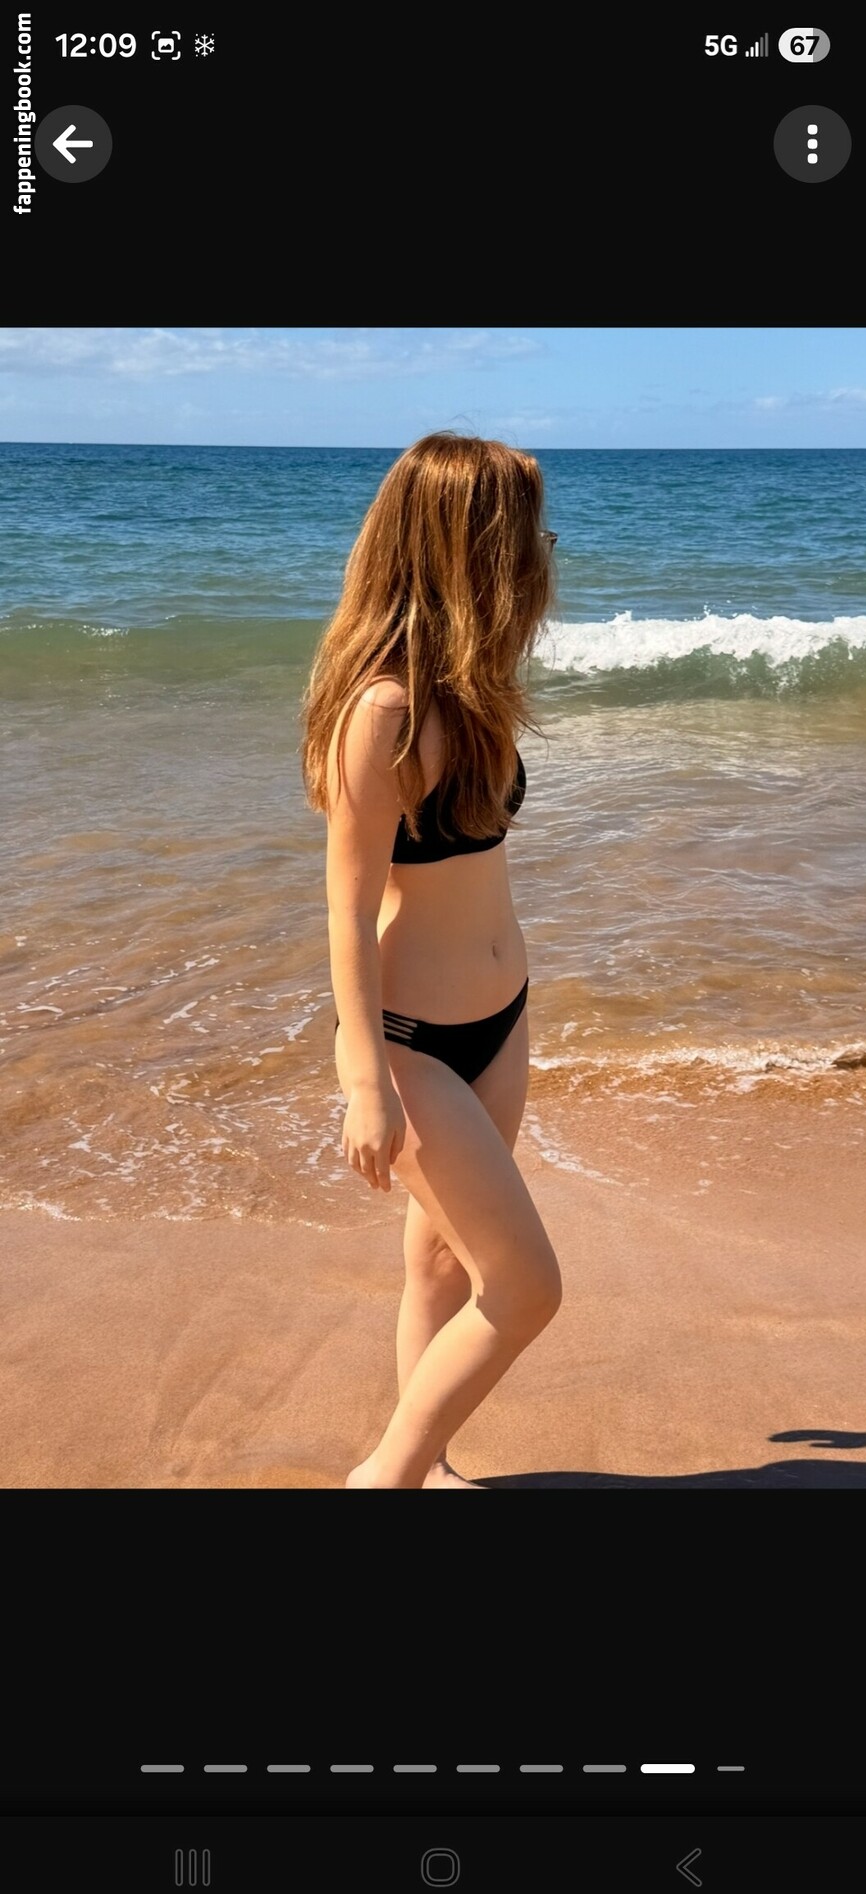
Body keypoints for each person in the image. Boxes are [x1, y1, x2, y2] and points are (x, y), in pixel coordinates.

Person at [300, 432, 562, 1488]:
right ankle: (387, 1479)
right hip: (411, 1041)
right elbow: (347, 904)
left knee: (443, 1261)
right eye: (526, 531)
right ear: (470, 546)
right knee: (527, 1286)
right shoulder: (386, 711)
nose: (544, 548)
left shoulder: (472, 684)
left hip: (500, 1015)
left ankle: (432, 1471)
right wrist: (364, 1082)